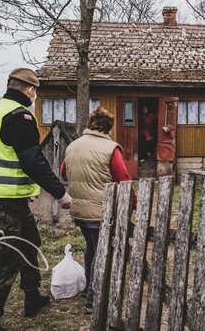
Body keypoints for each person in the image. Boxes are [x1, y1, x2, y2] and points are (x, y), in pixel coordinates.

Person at [0, 68, 72, 331]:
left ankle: (32, 297)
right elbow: (33, 161)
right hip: (4, 201)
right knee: (5, 258)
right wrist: (60, 193)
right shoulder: (19, 115)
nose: (34, 95)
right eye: (34, 90)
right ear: (29, 90)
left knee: (31, 243)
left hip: (7, 197)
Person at [60, 106, 136, 314]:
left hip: (78, 207)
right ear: (109, 127)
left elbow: (63, 172)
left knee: (91, 247)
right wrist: (135, 201)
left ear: (89, 125)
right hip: (99, 210)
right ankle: (93, 299)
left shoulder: (73, 146)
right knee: (100, 251)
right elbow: (123, 179)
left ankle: (88, 289)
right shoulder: (111, 148)